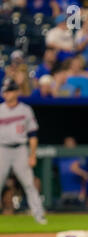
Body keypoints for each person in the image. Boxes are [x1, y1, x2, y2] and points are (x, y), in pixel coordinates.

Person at [0, 78, 47, 224]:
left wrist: (32, 155)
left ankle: (39, 215)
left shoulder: (25, 110)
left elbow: (33, 135)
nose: (6, 93)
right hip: (2, 149)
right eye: (5, 91)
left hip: (20, 149)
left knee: (29, 183)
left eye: (9, 91)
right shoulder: (0, 109)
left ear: (16, 92)